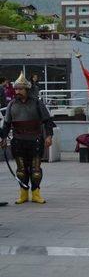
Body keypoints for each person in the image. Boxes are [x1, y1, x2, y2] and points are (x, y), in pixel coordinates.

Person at [0, 73, 55, 204]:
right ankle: (23, 194)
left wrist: (49, 136)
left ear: (27, 89)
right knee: (21, 170)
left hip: (35, 140)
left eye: (20, 89)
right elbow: (7, 124)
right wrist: (2, 138)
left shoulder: (37, 103)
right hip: (18, 141)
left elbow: (47, 121)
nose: (17, 91)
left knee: (35, 170)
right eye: (16, 89)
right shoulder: (12, 104)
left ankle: (36, 193)